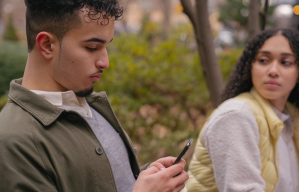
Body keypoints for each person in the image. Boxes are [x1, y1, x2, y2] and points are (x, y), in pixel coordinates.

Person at [0, 1, 189, 192]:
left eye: (106, 46)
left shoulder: (91, 105)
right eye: (92, 47)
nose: (105, 62)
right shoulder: (12, 141)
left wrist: (149, 178)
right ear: (47, 45)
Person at [186, 28, 299, 192]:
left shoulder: (291, 118)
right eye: (263, 60)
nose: (273, 71)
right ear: (250, 66)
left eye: (286, 62)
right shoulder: (237, 115)